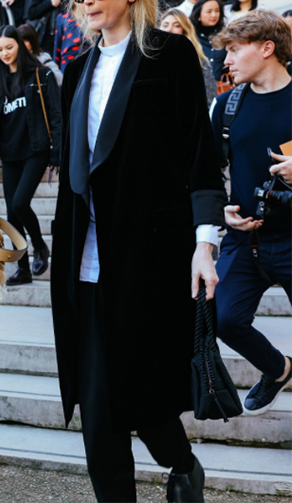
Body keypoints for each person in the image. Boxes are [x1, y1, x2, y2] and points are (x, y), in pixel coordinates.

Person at [50, 0, 226, 498]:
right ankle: (178, 469)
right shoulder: (76, 68)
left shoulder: (168, 55)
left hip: (149, 256)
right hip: (84, 260)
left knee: (138, 396)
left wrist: (204, 243)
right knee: (99, 409)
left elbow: (199, 154)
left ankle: (182, 463)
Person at [209, 9, 292, 416]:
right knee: (223, 319)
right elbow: (205, 175)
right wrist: (221, 211)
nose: (226, 60)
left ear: (266, 48)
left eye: (234, 50)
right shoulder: (225, 106)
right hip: (245, 239)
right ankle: (277, 370)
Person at [0, 25, 62, 286]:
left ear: (20, 45)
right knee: (12, 215)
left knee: (19, 203)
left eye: (9, 47)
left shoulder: (42, 75)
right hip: (10, 152)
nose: (5, 53)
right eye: (0, 49)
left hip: (36, 150)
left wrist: (57, 153)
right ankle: (24, 268)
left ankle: (40, 247)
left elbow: (57, 116)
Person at [160, 8, 218, 105]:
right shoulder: (149, 59)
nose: (169, 29)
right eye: (165, 25)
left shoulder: (198, 60)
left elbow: (209, 97)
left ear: (184, 31)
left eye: (176, 25)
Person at [191, 0, 228, 80]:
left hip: (220, 87)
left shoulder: (225, 35)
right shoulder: (191, 37)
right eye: (209, 11)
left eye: (217, 11)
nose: (214, 15)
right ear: (198, 15)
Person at [53, 2, 87, 74]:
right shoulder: (62, 17)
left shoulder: (90, 16)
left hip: (87, 57)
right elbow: (57, 44)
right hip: (68, 60)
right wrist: (56, 69)